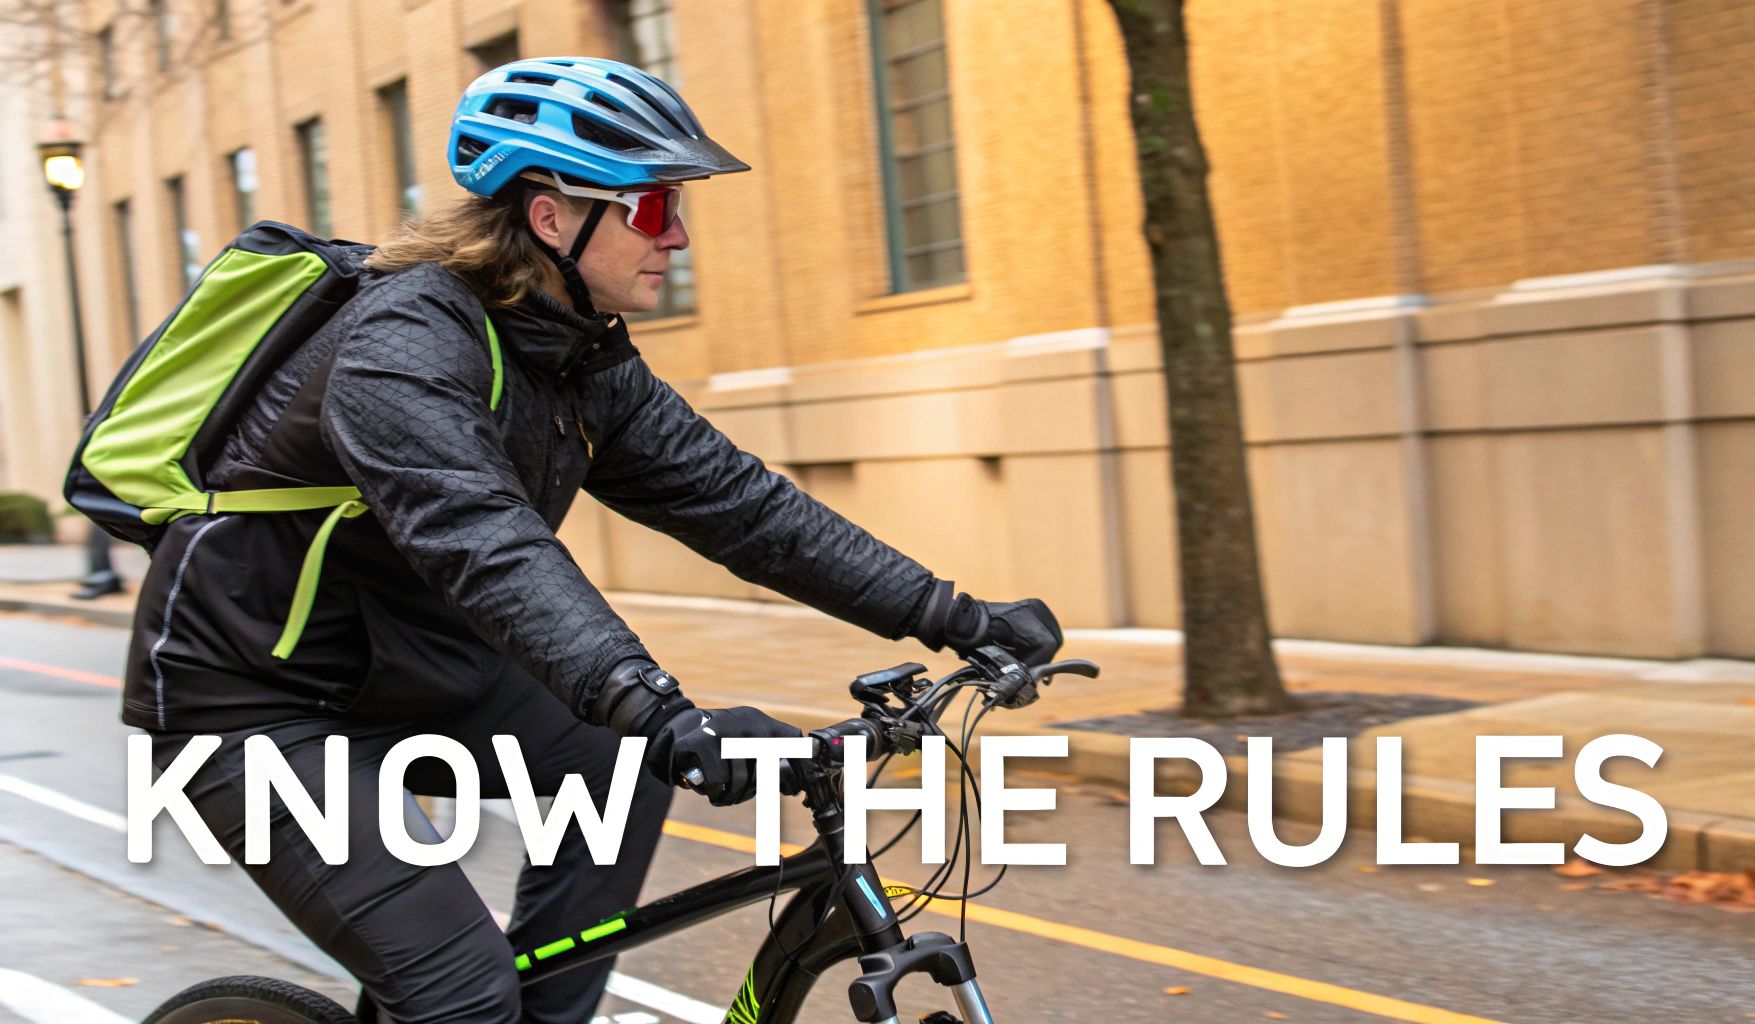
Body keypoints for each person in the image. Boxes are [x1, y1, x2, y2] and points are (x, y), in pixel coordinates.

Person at [122, 57, 1062, 1024]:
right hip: (251, 707)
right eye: (653, 209)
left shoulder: (577, 350)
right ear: (550, 217)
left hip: (422, 671)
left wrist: (956, 615)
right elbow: (487, 545)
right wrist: (662, 710)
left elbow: (742, 506)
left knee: (614, 768)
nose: (680, 235)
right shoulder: (400, 346)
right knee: (459, 994)